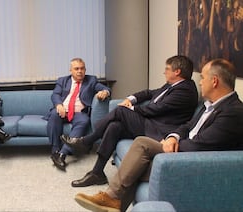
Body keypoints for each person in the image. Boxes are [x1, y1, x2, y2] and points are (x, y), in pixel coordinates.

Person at [73, 58, 243, 212]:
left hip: (192, 159)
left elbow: (201, 144)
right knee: (120, 130)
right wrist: (173, 137)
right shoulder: (211, 104)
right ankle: (111, 197)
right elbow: (187, 126)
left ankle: (109, 192)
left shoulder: (233, 111)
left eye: (203, 78)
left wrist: (170, 145)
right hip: (177, 142)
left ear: (214, 81)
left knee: (140, 144)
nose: (200, 83)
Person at [61, 55, 199, 187]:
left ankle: (87, 141)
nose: (164, 72)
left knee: (121, 111)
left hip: (159, 130)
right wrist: (130, 99)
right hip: (150, 122)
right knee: (115, 126)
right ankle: (97, 172)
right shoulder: (172, 85)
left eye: (167, 69)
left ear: (177, 71)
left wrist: (131, 108)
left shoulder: (185, 90)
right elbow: (149, 93)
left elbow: (156, 109)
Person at [46, 58, 111, 171]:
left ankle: (62, 154)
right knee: (54, 115)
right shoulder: (62, 81)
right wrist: (58, 105)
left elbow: (106, 88)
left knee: (84, 120)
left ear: (85, 70)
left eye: (82, 68)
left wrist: (105, 92)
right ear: (71, 70)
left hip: (79, 113)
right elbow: (55, 95)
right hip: (63, 110)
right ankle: (55, 151)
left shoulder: (91, 80)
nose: (79, 71)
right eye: (76, 69)